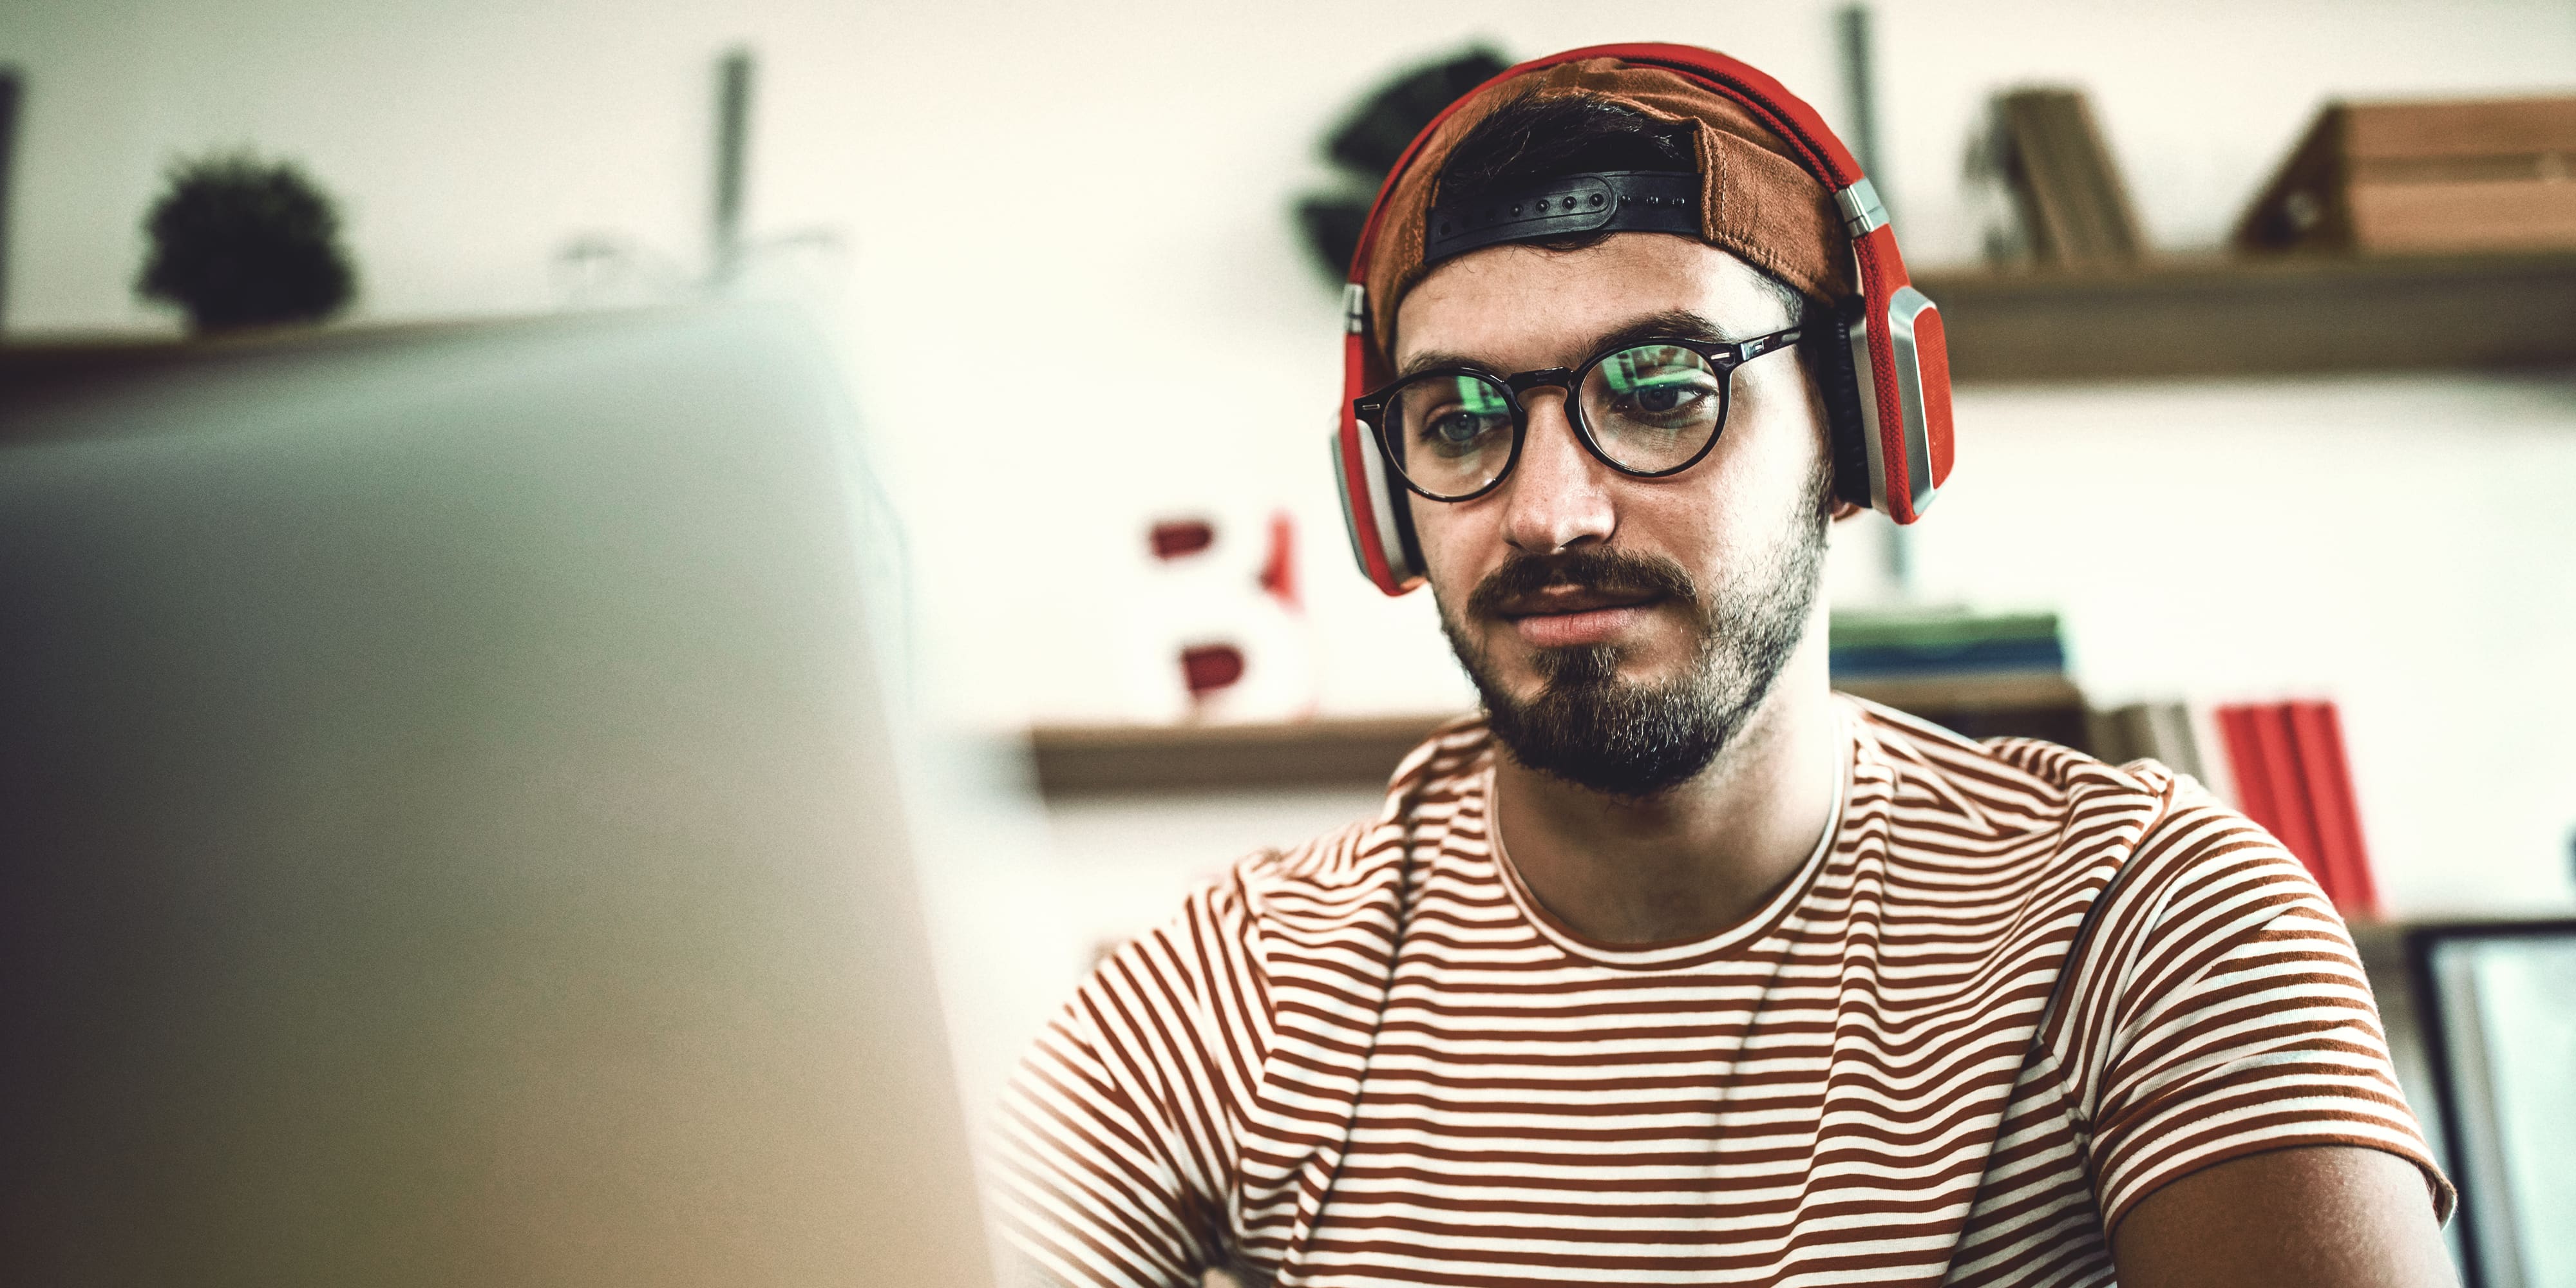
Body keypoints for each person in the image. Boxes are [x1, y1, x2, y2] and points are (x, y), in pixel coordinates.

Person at [993, 46, 2454, 1288]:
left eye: (1659, 389)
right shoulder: (1215, 1000)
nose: (1549, 510)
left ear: (1858, 429)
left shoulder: (2147, 925)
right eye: (1456, 420)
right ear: (1383, 500)